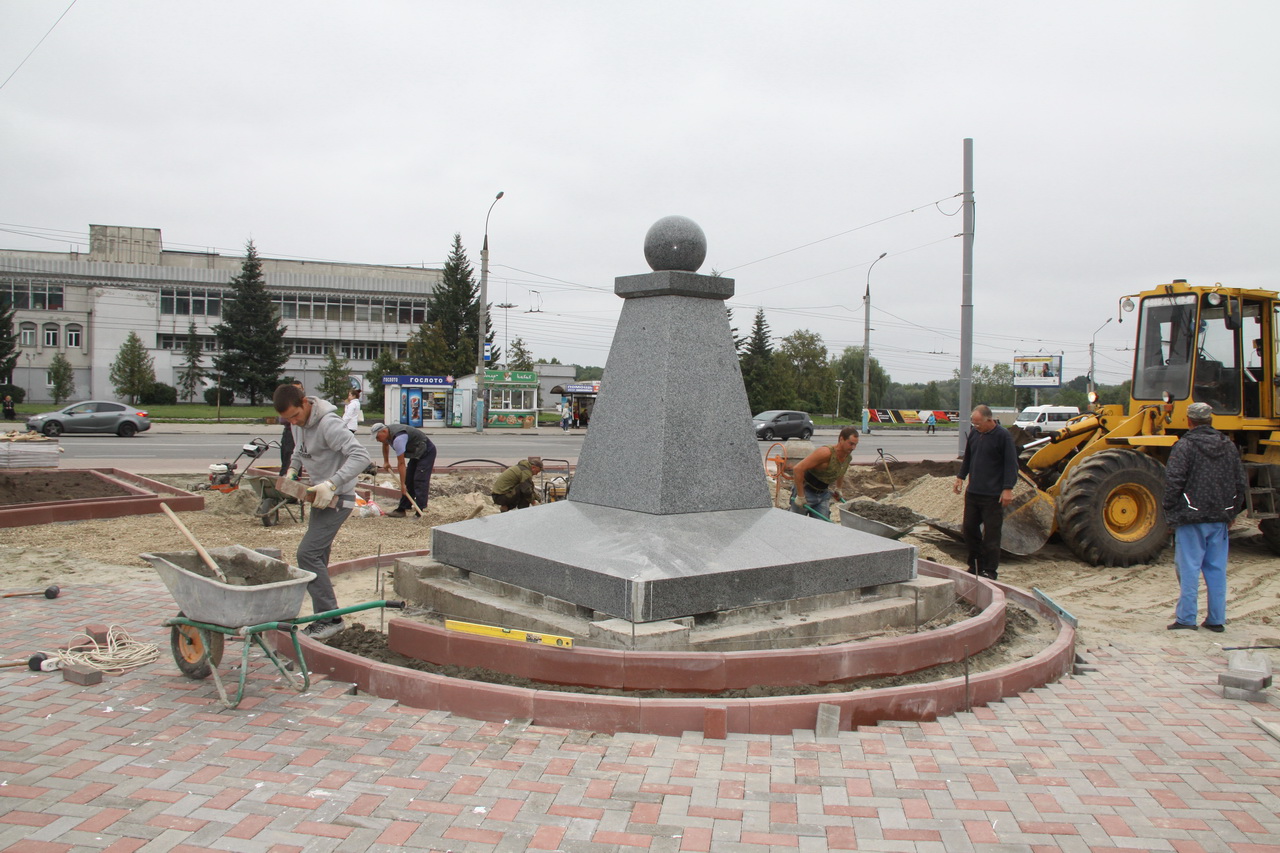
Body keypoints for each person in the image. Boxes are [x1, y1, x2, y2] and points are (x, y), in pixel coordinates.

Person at [274, 382, 371, 639]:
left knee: (307, 554)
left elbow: (361, 457)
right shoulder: (298, 426)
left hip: (338, 499)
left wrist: (332, 483)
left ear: (305, 402)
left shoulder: (329, 423)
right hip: (320, 498)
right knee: (318, 557)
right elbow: (298, 451)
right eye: (287, 420)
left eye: (295, 415)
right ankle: (323, 616)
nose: (293, 422)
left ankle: (331, 618)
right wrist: (292, 472)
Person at [1163, 401, 1247, 632]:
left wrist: (1169, 512)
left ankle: (1186, 619)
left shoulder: (1185, 446)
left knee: (1189, 569)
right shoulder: (1228, 446)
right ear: (1211, 420)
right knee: (1216, 570)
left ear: (1189, 421)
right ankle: (1216, 620)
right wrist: (1232, 512)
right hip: (1220, 517)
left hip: (1191, 518)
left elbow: (1174, 481)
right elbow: (1241, 481)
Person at [953, 404, 1018, 580]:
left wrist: (1007, 488)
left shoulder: (1003, 437)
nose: (976, 427)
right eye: (974, 424)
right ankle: (975, 565)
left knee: (991, 534)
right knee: (969, 529)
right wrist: (961, 476)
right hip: (974, 492)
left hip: (992, 495)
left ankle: (990, 570)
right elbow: (968, 457)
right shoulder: (975, 434)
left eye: (978, 423)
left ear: (989, 420)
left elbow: (1011, 464)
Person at [371, 421, 437, 518]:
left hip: (426, 452)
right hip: (416, 452)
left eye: (377, 437)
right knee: (409, 480)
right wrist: (386, 461)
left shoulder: (399, 439)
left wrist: (402, 485)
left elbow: (401, 463)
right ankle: (402, 509)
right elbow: (385, 444)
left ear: (384, 431)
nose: (377, 440)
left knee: (419, 480)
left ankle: (420, 511)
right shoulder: (388, 434)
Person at [789, 427, 858, 520]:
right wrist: (801, 496)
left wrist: (838, 488)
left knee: (823, 526)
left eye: (855, 444)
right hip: (806, 490)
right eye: (851, 444)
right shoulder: (826, 453)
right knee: (796, 523)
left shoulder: (847, 457)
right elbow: (798, 469)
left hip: (823, 494)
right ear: (841, 439)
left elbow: (841, 471)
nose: (854, 448)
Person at [279, 380, 304, 476]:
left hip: (301, 434)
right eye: (295, 389)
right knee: (287, 463)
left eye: (299, 389)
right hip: (289, 435)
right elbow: (282, 420)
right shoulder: (287, 403)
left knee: (299, 462)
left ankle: (297, 481)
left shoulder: (305, 403)